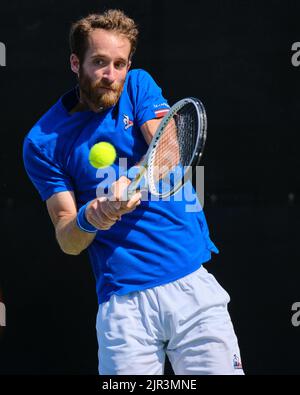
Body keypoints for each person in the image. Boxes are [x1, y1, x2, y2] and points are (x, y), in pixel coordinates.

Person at [23, 9, 244, 375]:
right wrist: (92, 215)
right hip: (122, 307)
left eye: (119, 63)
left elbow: (170, 152)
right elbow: (68, 238)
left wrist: (134, 179)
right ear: (75, 63)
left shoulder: (138, 85)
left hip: (191, 285)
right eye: (99, 63)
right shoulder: (42, 142)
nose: (112, 76)